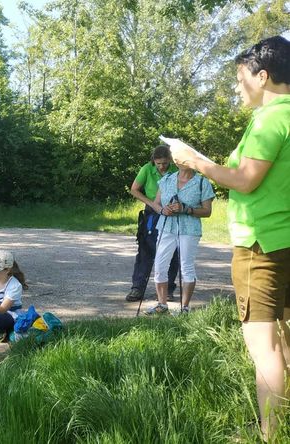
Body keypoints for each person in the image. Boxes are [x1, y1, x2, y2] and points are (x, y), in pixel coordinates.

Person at [170, 36, 290, 441]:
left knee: (264, 346)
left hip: (261, 245)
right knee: (286, 339)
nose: (237, 88)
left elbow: (245, 180)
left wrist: (195, 162)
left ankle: (271, 435)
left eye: (240, 79)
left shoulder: (270, 119)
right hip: (286, 241)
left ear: (263, 75)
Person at [145, 164, 214, 315]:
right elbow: (156, 204)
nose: (180, 162)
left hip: (189, 229)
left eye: (184, 158)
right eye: (177, 158)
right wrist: (163, 210)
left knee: (186, 266)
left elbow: (207, 211)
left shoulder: (202, 183)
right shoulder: (167, 179)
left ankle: (185, 308)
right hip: (166, 226)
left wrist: (186, 209)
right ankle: (162, 305)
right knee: (159, 265)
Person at [125, 145, 180, 302]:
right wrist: (152, 204)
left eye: (164, 163)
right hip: (152, 212)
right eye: (158, 163)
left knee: (172, 251)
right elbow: (134, 189)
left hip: (172, 212)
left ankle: (168, 289)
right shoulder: (147, 169)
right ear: (153, 161)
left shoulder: (176, 169)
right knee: (146, 249)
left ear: (169, 159)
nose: (162, 166)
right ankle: (137, 288)